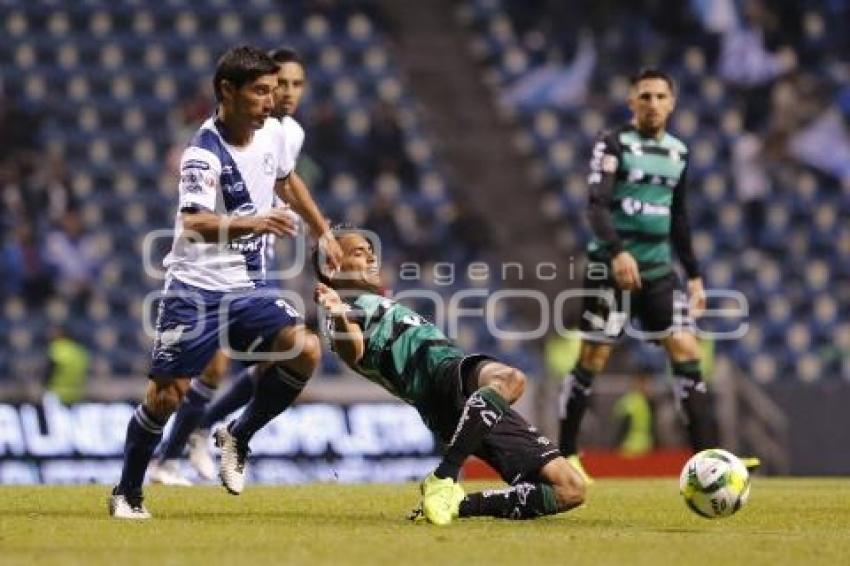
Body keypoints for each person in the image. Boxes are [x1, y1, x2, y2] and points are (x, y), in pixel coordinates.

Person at [109, 45, 341, 519]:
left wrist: (323, 231)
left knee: (305, 348)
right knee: (167, 396)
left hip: (248, 285)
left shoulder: (274, 133)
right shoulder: (202, 152)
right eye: (260, 92)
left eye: (274, 90)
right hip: (195, 289)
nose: (270, 101)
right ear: (227, 91)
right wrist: (258, 224)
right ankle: (126, 492)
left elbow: (288, 179)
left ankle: (238, 434)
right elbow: (194, 222)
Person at [313, 229, 585, 525]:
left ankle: (457, 504)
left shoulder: (372, 300)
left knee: (570, 489)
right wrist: (338, 314)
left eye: (370, 249)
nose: (371, 256)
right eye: (358, 252)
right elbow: (353, 351)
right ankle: (445, 475)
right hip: (439, 380)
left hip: (467, 402)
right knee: (511, 379)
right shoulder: (344, 311)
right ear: (333, 268)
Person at [148, 46, 313, 487]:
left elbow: (288, 179)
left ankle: (207, 433)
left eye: (295, 85)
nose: (286, 93)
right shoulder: (214, 141)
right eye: (279, 84)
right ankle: (170, 453)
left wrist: (324, 231)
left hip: (259, 259)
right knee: (214, 368)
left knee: (275, 359)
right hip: (215, 262)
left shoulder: (285, 133)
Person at [558, 68, 720, 483]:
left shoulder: (679, 153)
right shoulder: (613, 143)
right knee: (592, 359)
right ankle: (566, 454)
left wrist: (696, 276)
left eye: (660, 96)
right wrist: (617, 252)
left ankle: (708, 460)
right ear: (631, 102)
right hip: (608, 270)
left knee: (686, 350)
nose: (652, 103)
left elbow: (678, 216)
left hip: (659, 271)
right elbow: (596, 205)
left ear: (672, 102)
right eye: (644, 96)